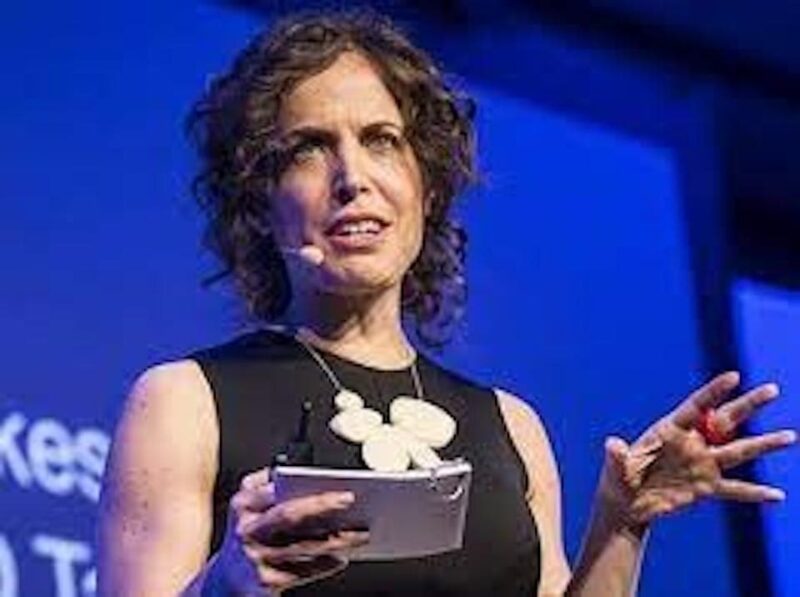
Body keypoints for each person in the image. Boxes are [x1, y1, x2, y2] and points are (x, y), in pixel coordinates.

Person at [96, 10, 797, 596]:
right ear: (259, 201)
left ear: (427, 189)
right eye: (310, 148)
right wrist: (226, 585)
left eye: (382, 141)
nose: (352, 177)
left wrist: (622, 521)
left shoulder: (511, 427)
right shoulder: (184, 401)